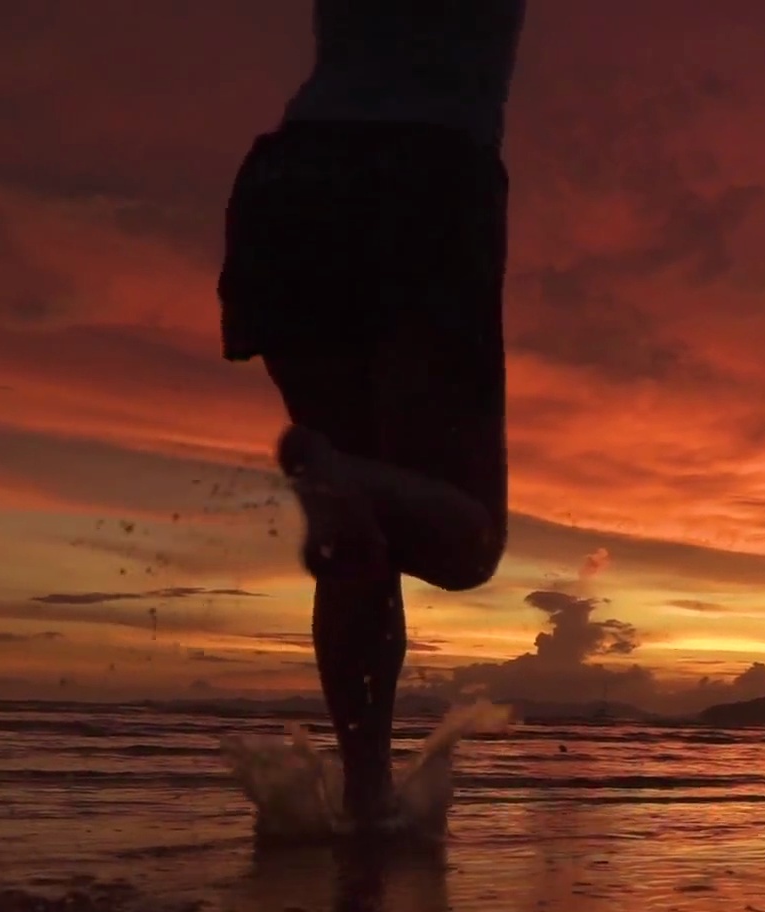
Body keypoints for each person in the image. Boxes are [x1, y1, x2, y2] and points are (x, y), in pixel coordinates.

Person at [219, 0, 527, 829]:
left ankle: (365, 804)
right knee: (468, 545)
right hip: (427, 176)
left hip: (295, 180)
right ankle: (337, 471)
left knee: (363, 529)